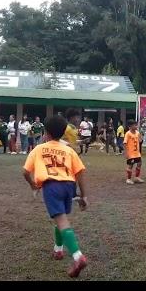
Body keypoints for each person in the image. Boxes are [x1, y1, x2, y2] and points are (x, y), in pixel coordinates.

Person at [22, 115, 89, 278]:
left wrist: (33, 185)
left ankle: (78, 256)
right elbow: (79, 173)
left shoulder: (39, 149)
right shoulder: (69, 150)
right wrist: (84, 196)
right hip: (69, 186)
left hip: (52, 186)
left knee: (61, 221)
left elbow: (25, 172)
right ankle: (58, 250)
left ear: (46, 133)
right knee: (60, 218)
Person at [123, 119, 144, 185]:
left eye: (136, 125)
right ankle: (128, 179)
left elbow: (140, 141)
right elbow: (125, 143)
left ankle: (136, 177)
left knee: (139, 163)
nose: (136, 126)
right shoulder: (128, 134)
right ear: (130, 126)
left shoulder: (137, 133)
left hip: (137, 152)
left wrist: (141, 136)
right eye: (135, 125)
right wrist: (126, 153)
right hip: (131, 153)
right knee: (130, 166)